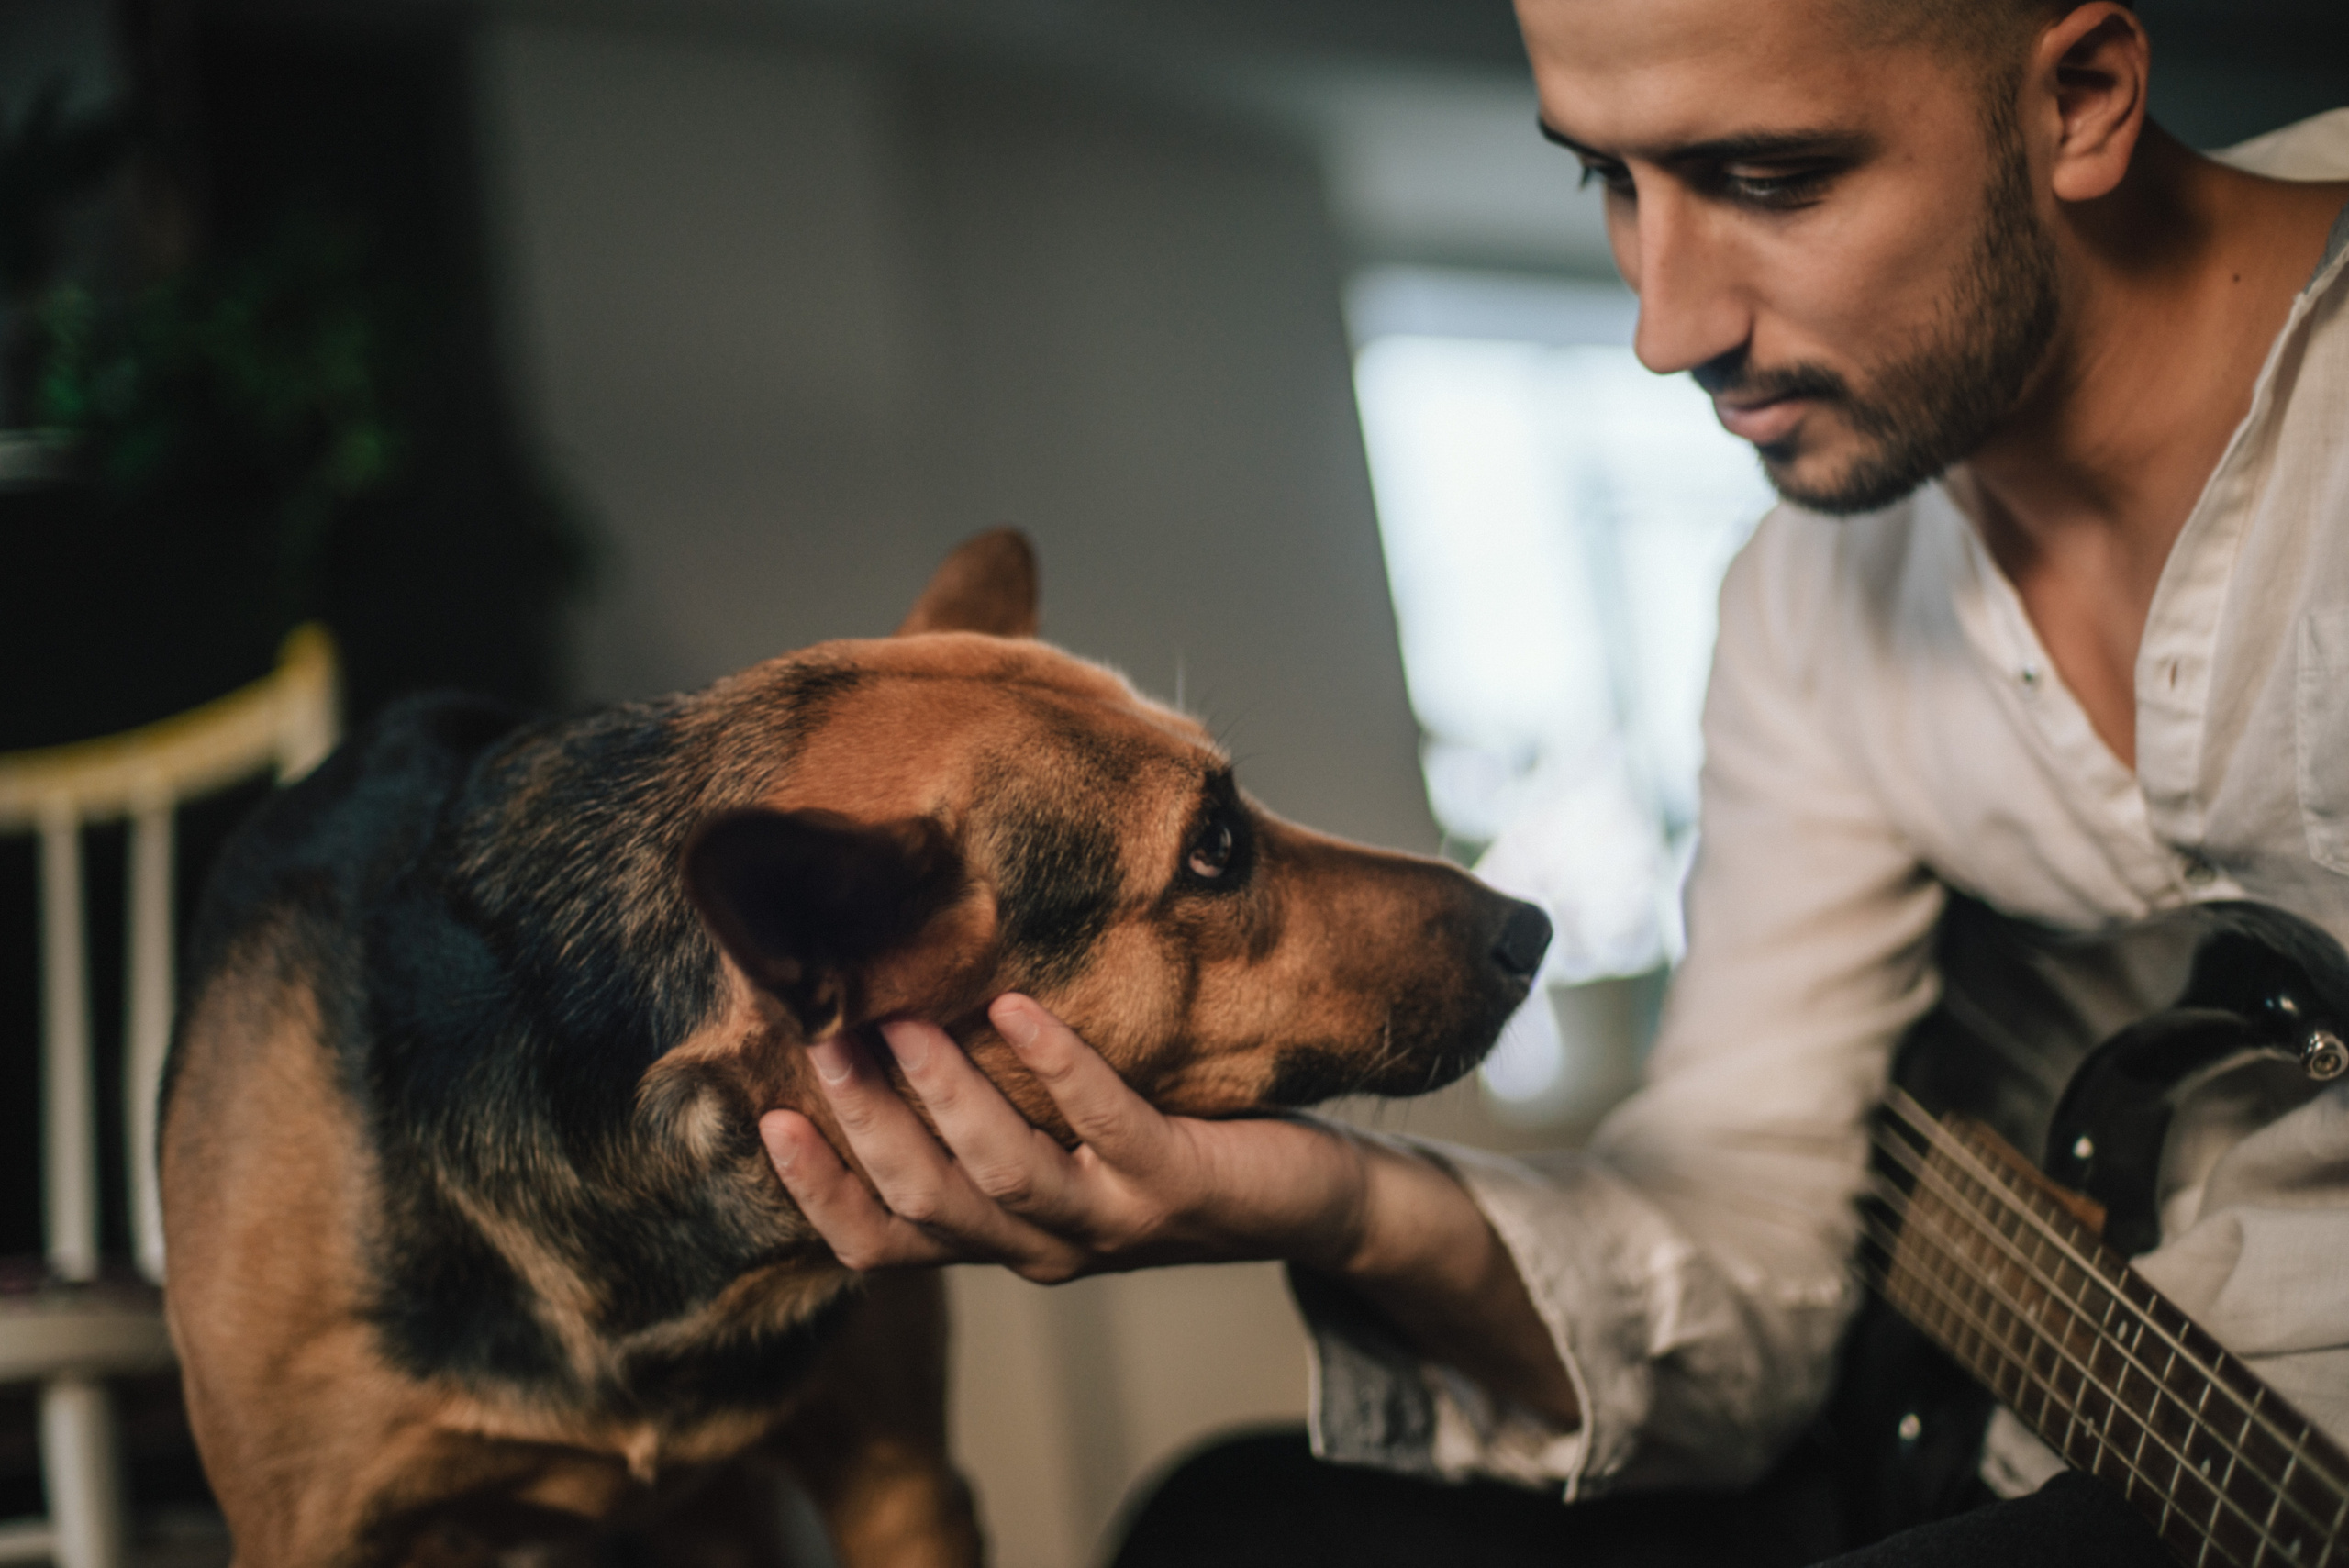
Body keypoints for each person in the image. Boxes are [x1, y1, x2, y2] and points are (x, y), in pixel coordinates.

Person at [757, 0, 2349, 1559]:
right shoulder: (1805, 610)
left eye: (1769, 177)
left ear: (2079, 96)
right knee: (1230, 1527)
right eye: (1608, 178)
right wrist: (1319, 1198)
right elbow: (1749, 1240)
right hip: (1967, 1425)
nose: (1664, 327)